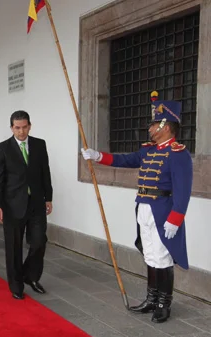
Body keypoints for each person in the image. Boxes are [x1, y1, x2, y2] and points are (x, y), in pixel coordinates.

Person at [81, 92, 192, 323]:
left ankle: (164, 303)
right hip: (144, 208)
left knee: (163, 258)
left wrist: (176, 218)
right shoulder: (148, 150)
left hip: (163, 211)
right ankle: (151, 299)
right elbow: (125, 160)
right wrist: (97, 156)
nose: (150, 128)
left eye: (153, 124)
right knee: (151, 255)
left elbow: (183, 190)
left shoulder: (178, 154)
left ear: (165, 125)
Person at [0, 110, 53, 299]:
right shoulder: (2, 148)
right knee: (14, 247)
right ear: (12, 128)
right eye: (17, 128)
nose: (21, 131)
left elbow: (45, 172)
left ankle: (31, 276)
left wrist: (48, 197)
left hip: (36, 203)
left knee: (39, 241)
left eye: (24, 127)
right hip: (12, 205)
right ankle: (16, 285)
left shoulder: (39, 145)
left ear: (30, 126)